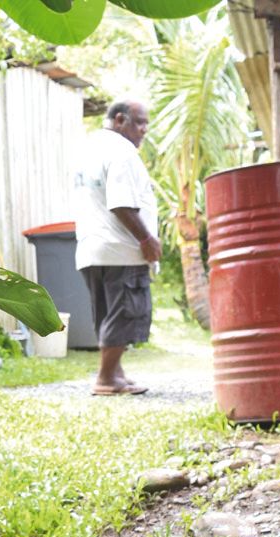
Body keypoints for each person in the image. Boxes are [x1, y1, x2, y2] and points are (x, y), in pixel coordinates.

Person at [74, 99, 160, 396]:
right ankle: (106, 378)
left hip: (92, 247)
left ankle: (117, 374)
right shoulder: (122, 152)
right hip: (121, 248)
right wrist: (146, 239)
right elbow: (121, 203)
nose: (144, 130)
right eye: (139, 122)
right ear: (120, 120)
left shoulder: (91, 148)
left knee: (108, 312)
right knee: (126, 312)